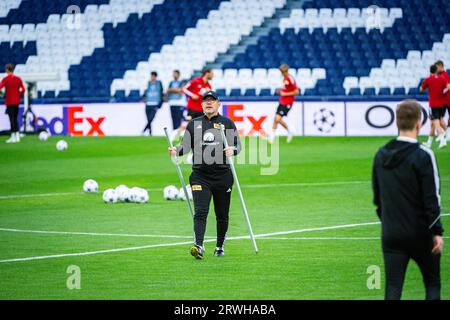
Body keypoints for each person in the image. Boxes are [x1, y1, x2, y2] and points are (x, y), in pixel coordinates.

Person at [372, 100, 444, 300]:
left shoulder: (380, 155)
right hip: (421, 233)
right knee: (432, 284)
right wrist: (436, 231)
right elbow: (432, 198)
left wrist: (389, 223)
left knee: (393, 288)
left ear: (397, 122)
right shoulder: (423, 155)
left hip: (391, 233)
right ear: (419, 124)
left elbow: (378, 199)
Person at [168, 90, 241, 260]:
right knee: (200, 211)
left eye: (212, 100)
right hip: (200, 175)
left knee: (222, 214)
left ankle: (219, 246)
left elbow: (238, 145)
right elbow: (185, 147)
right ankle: (199, 246)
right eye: (206, 101)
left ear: (218, 104)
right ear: (201, 104)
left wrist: (233, 149)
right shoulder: (194, 124)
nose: (209, 103)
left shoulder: (226, 123)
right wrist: (176, 150)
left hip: (223, 175)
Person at [170, 69, 214, 144]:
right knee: (188, 124)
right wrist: (192, 95)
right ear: (207, 73)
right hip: (192, 108)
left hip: (201, 109)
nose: (213, 75)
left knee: (201, 127)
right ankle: (175, 133)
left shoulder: (209, 86)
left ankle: (195, 143)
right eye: (212, 73)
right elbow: (184, 89)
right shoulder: (195, 81)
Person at [268, 64, 298, 144]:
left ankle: (289, 130)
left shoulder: (291, 79)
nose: (282, 73)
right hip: (282, 101)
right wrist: (281, 91)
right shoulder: (285, 78)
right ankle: (272, 137)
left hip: (288, 102)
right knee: (276, 119)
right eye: (281, 72)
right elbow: (287, 89)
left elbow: (296, 92)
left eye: (283, 72)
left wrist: (285, 94)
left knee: (277, 119)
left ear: (287, 71)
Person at [420, 64, 449, 149]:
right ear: (436, 71)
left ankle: (442, 139)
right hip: (441, 104)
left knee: (436, 122)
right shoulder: (442, 78)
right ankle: (429, 142)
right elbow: (448, 87)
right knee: (433, 123)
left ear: (430, 71)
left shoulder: (428, 79)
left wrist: (427, 88)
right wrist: (443, 92)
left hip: (433, 104)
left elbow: (421, 89)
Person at [0, 64, 25, 143]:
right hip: (16, 102)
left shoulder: (5, 79)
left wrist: (2, 94)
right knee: (15, 119)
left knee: (11, 119)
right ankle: (17, 136)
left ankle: (13, 136)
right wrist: (19, 95)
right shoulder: (18, 79)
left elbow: (0, 88)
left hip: (9, 102)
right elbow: (23, 89)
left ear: (7, 69)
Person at [166, 70, 187, 142]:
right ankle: (174, 134)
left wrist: (173, 90)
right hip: (172, 103)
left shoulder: (182, 82)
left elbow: (181, 90)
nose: (174, 75)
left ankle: (178, 134)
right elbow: (168, 90)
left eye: (175, 74)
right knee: (173, 119)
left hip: (180, 103)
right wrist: (176, 90)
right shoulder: (171, 82)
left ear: (178, 74)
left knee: (178, 119)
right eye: (173, 74)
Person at [142, 71, 163, 135]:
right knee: (148, 119)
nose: (152, 77)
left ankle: (144, 130)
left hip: (155, 103)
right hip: (148, 103)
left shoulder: (159, 83)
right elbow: (146, 92)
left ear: (156, 77)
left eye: (153, 76)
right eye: (151, 76)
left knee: (151, 119)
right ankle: (150, 133)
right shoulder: (148, 83)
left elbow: (161, 93)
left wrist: (160, 103)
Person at [435, 60, 450, 140]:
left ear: (441, 66)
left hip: (447, 100)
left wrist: (442, 92)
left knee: (439, 118)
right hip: (443, 100)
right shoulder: (440, 75)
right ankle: (445, 134)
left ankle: (446, 134)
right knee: (439, 118)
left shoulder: (445, 75)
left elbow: (448, 86)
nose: (436, 69)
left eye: (437, 67)